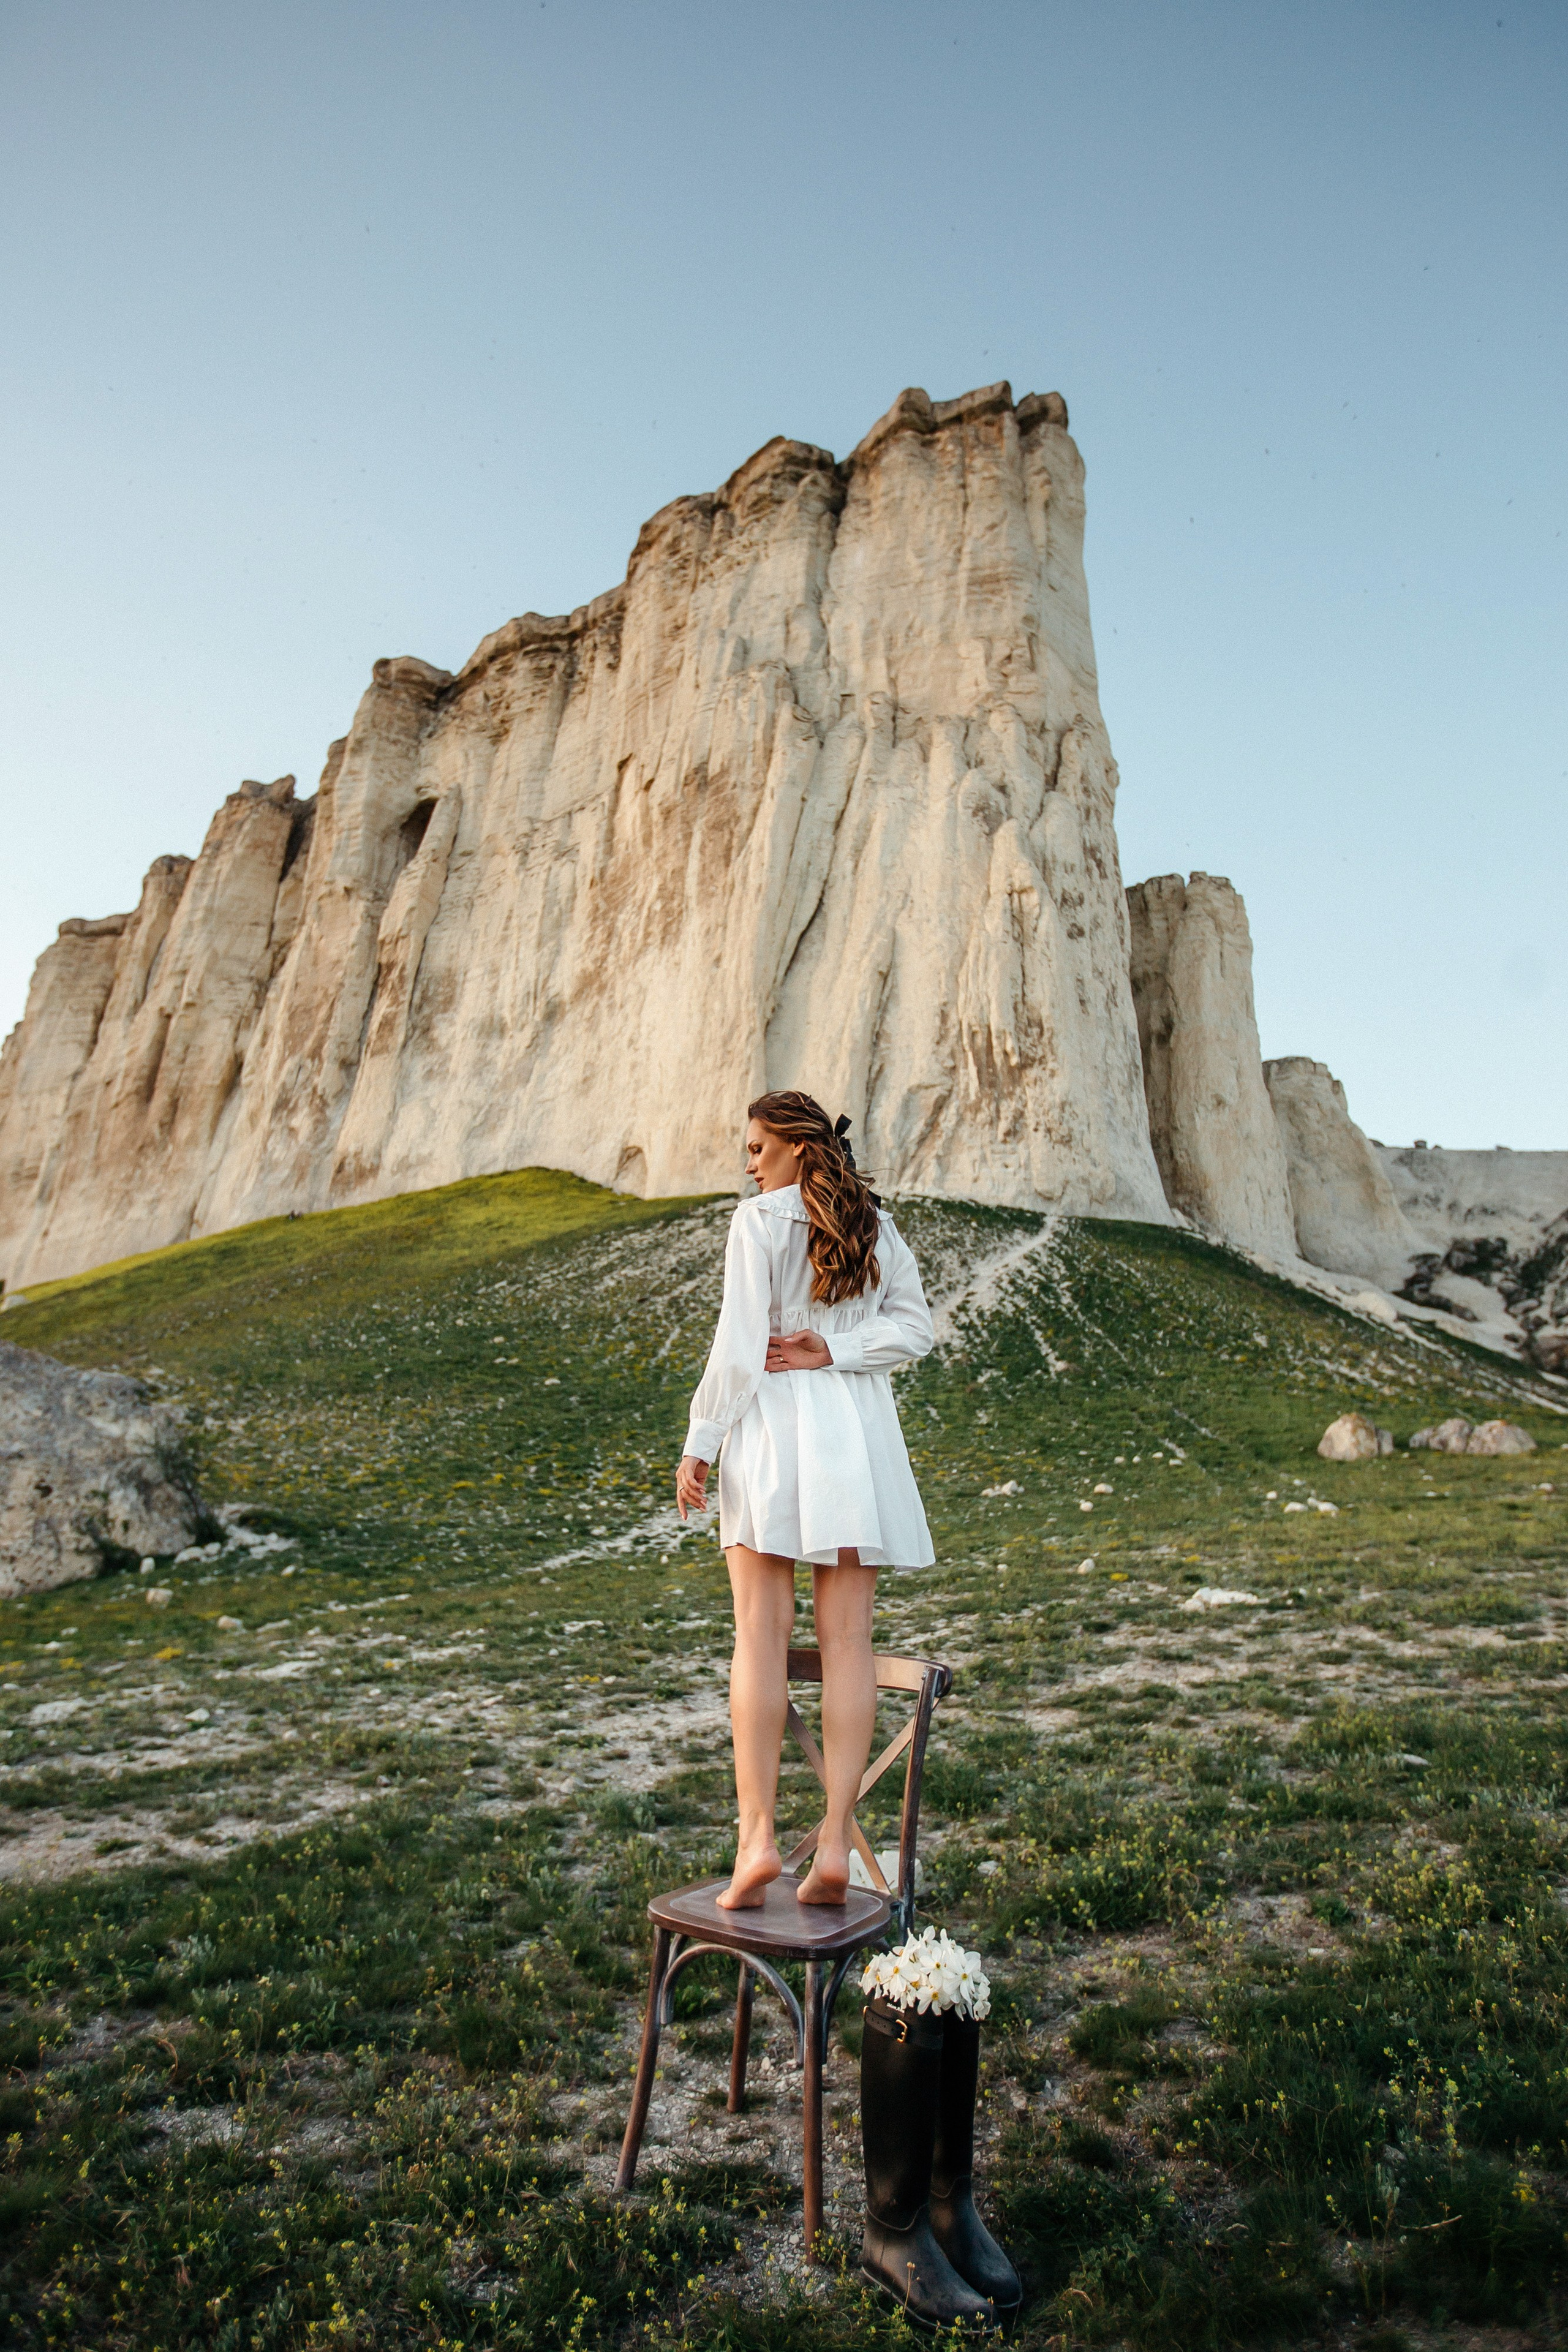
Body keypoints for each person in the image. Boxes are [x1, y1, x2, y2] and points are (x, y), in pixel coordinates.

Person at [676, 1090, 936, 1909]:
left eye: (757, 1147)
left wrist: (701, 1438)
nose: (748, 1163)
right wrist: (840, 1349)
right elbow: (915, 1330)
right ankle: (833, 1846)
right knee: (849, 1642)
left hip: (772, 1437)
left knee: (759, 1631)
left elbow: (739, 1343)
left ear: (794, 1146)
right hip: (854, 1440)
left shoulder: (756, 1223)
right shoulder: (876, 1226)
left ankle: (756, 1841)